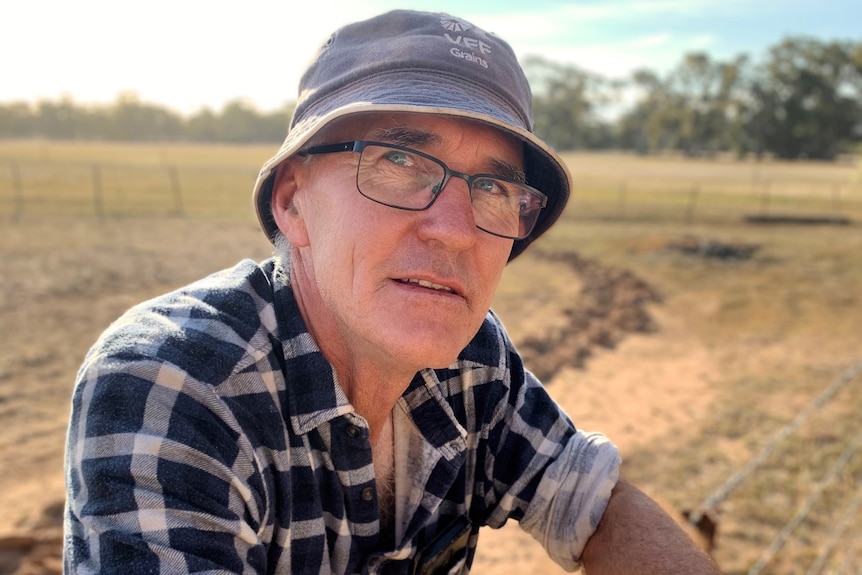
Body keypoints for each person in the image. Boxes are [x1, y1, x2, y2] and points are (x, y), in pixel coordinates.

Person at [64, 9, 719, 575]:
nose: (456, 230)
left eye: (492, 187)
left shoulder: (471, 358)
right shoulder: (175, 382)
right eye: (399, 161)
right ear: (294, 202)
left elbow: (595, 504)